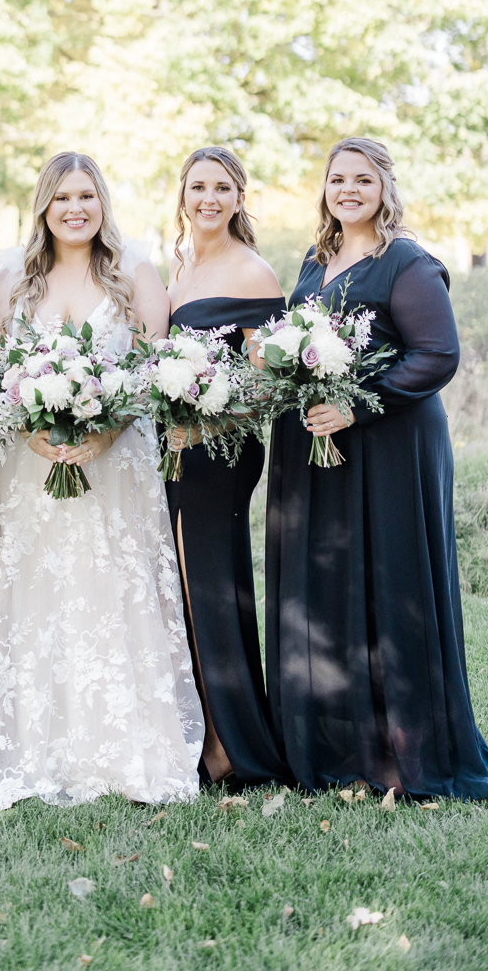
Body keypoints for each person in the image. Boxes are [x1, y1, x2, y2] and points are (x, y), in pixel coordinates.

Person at [264, 136, 488, 800]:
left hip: (390, 445)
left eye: (362, 180)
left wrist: (355, 409)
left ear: (383, 189)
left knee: (390, 579)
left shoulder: (405, 261)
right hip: (321, 448)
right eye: (337, 179)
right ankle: (344, 744)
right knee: (331, 587)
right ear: (323, 189)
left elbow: (436, 356)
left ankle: (406, 750)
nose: (348, 190)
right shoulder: (314, 260)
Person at [0, 151, 204, 808]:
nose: (74, 208)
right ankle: (39, 744)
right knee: (39, 590)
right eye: (62, 197)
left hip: (117, 460)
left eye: (86, 197)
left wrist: (104, 431)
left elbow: (153, 371)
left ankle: (122, 747)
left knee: (110, 586)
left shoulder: (134, 270)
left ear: (102, 204)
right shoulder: (12, 274)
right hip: (30, 462)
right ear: (43, 206)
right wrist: (35, 432)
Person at [165, 147, 291, 788]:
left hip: (218, 453)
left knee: (204, 588)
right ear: (181, 195)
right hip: (173, 450)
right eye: (198, 187)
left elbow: (273, 386)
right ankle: (198, 733)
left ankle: (228, 747)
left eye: (222, 188)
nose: (208, 199)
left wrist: (212, 420)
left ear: (240, 199)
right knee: (179, 590)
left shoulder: (254, 274)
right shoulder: (179, 264)